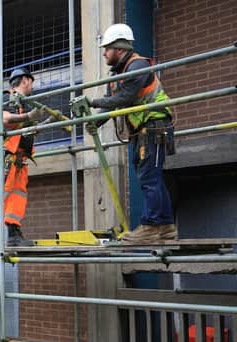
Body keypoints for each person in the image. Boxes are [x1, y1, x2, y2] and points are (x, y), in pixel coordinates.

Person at [81, 23, 176, 243]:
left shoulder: (138, 66)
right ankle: (166, 226)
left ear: (120, 48)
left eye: (107, 48)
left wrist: (92, 101)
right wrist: (96, 120)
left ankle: (152, 227)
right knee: (150, 177)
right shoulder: (118, 73)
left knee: (149, 178)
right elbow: (111, 105)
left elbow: (124, 98)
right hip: (144, 130)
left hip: (155, 125)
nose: (104, 53)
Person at [0, 67, 47, 246]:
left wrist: (35, 124)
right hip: (7, 155)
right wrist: (28, 116)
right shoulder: (6, 97)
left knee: (18, 194)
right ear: (25, 80)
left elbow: (22, 130)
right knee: (2, 191)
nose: (32, 86)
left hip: (19, 158)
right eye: (31, 82)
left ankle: (13, 234)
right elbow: (4, 119)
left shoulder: (23, 103)